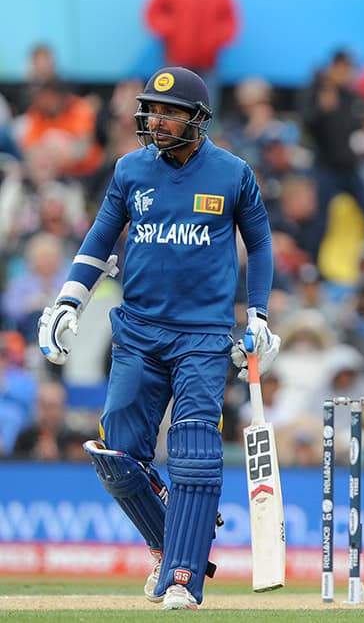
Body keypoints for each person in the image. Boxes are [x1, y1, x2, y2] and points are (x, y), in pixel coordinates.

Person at [36, 66, 280, 611]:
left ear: (198, 119)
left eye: (170, 112)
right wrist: (69, 298)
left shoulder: (233, 173)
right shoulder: (129, 169)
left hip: (202, 335)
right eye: (152, 110)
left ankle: (182, 578)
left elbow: (260, 244)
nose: (157, 119)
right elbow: (100, 237)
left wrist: (258, 314)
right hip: (138, 332)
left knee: (194, 453)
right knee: (116, 453)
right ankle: (168, 542)